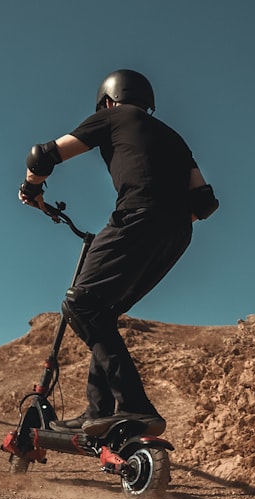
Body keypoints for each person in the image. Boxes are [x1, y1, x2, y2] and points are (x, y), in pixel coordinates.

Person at [18, 69, 218, 436]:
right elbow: (204, 202)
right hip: (178, 234)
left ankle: (135, 406)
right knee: (102, 312)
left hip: (138, 217)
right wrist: (167, 219)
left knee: (79, 304)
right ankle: (99, 411)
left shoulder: (112, 116)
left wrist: (32, 189)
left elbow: (43, 155)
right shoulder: (175, 137)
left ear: (108, 101)